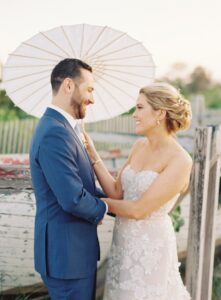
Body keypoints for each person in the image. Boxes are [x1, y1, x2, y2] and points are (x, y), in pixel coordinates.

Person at [83, 82, 192, 300]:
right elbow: (116, 193)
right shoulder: (139, 146)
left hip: (150, 248)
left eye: (140, 108)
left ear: (160, 113)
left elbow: (138, 209)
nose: (134, 114)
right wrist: (91, 151)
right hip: (123, 243)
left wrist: (90, 204)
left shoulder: (180, 160)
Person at [29, 58, 108, 300]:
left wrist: (121, 202)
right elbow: (73, 198)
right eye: (90, 90)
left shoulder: (63, 128)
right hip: (66, 258)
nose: (92, 99)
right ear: (68, 85)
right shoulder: (55, 132)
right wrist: (105, 208)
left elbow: (80, 185)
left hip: (72, 255)